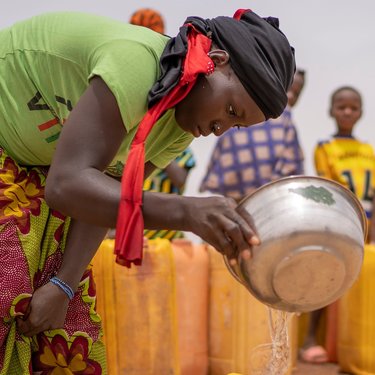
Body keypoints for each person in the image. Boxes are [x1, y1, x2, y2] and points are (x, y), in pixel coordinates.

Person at [0, 9, 295, 373]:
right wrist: (185, 212)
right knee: (7, 289)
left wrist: (63, 285)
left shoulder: (177, 130)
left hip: (38, 171)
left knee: (68, 339)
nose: (220, 128)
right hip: (24, 165)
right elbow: (67, 185)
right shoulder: (137, 65)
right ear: (215, 62)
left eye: (235, 126)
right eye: (231, 110)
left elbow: (111, 196)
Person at [300, 86, 375, 364]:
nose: (347, 112)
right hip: (339, 220)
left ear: (361, 113)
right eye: (341, 107)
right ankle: (310, 339)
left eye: (353, 107)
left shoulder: (368, 150)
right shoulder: (324, 147)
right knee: (328, 276)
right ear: (331, 111)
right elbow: (329, 188)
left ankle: (355, 340)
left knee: (362, 280)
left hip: (367, 222)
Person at [199, 69, 306, 201]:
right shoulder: (247, 110)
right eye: (287, 90)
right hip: (235, 184)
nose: (290, 96)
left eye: (296, 93)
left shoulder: (286, 119)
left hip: (268, 190)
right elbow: (227, 144)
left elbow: (291, 152)